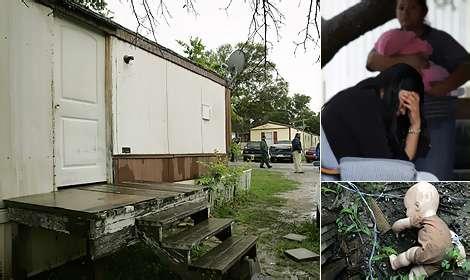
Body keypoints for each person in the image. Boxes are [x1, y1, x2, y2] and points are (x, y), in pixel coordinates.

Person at [366, 0, 470, 180]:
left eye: (412, 7)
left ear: (424, 11)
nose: (405, 12)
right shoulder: (390, 38)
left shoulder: (439, 39)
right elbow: (372, 61)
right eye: (401, 8)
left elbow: (467, 65)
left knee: (433, 178)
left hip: (435, 120)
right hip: (397, 123)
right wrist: (408, 61)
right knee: (397, 178)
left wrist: (444, 86)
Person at [322, 63, 430, 162]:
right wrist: (415, 124)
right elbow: (391, 167)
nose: (403, 112)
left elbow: (401, 162)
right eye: (405, 103)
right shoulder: (364, 103)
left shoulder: (369, 98)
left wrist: (416, 123)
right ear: (393, 89)